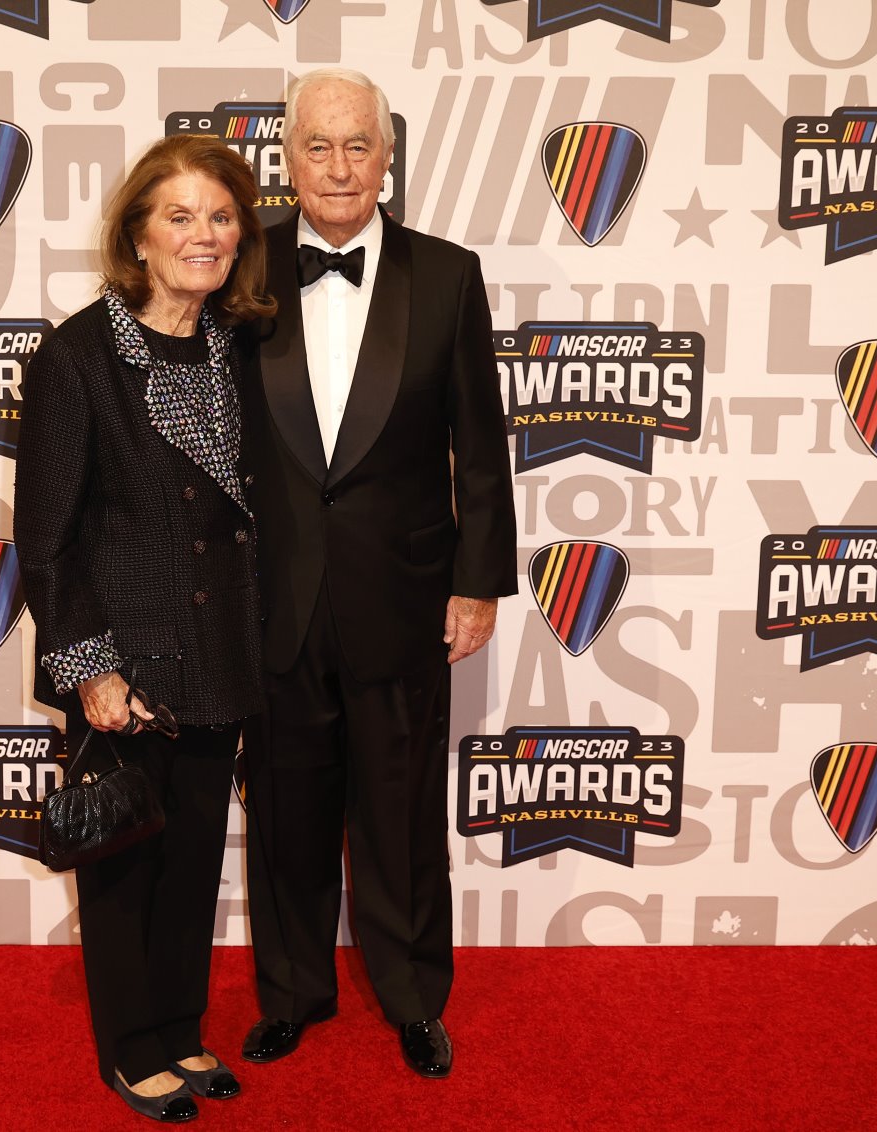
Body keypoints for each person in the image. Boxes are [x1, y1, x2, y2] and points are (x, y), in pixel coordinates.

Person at [240, 68, 517, 1079]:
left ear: (388, 156)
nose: (340, 166)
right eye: (319, 145)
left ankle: (412, 997)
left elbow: (480, 447)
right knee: (284, 808)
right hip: (274, 601)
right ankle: (294, 993)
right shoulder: (243, 267)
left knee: (400, 814)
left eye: (360, 145)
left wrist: (478, 579)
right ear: (288, 155)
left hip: (405, 599)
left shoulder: (446, 275)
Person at [13, 134, 275, 1123]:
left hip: (218, 656)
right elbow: (45, 537)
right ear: (138, 233)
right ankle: (129, 1047)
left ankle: (178, 1028)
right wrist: (90, 671)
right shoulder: (80, 355)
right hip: (125, 666)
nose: (203, 235)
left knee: (197, 852)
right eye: (180, 216)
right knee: (126, 861)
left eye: (220, 216)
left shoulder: (236, 343)